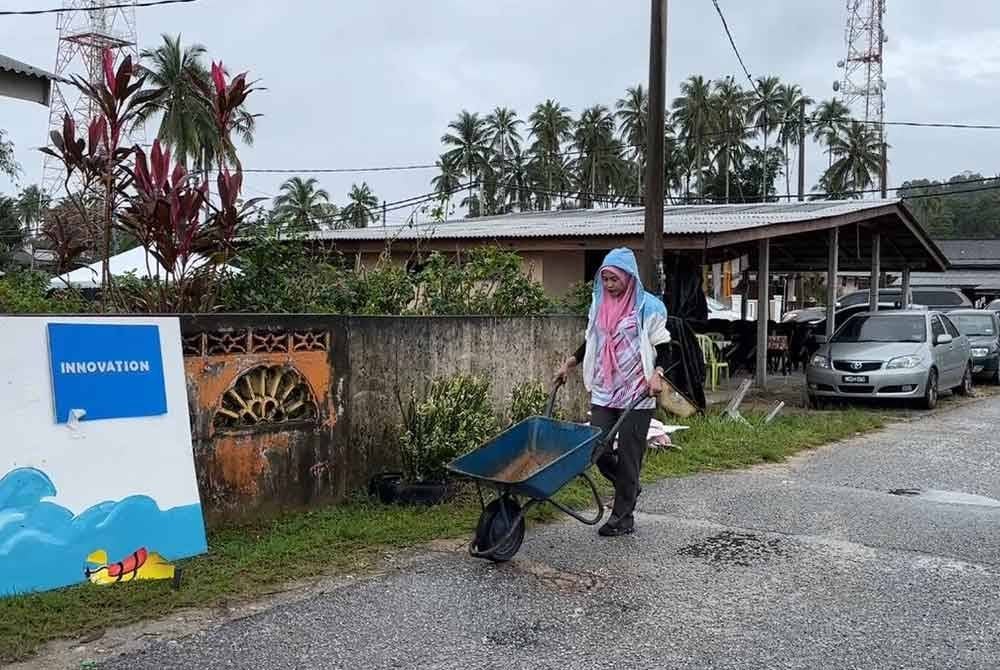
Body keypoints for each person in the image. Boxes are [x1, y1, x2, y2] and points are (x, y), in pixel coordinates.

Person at [554, 248, 671, 537]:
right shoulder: (600, 303)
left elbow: (665, 345)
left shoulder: (648, 307)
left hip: (638, 390)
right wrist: (570, 362)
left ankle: (623, 517)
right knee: (596, 448)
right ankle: (628, 484)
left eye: (614, 279)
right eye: (604, 279)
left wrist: (657, 374)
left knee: (630, 455)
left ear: (628, 278)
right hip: (606, 387)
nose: (608, 285)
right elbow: (592, 339)